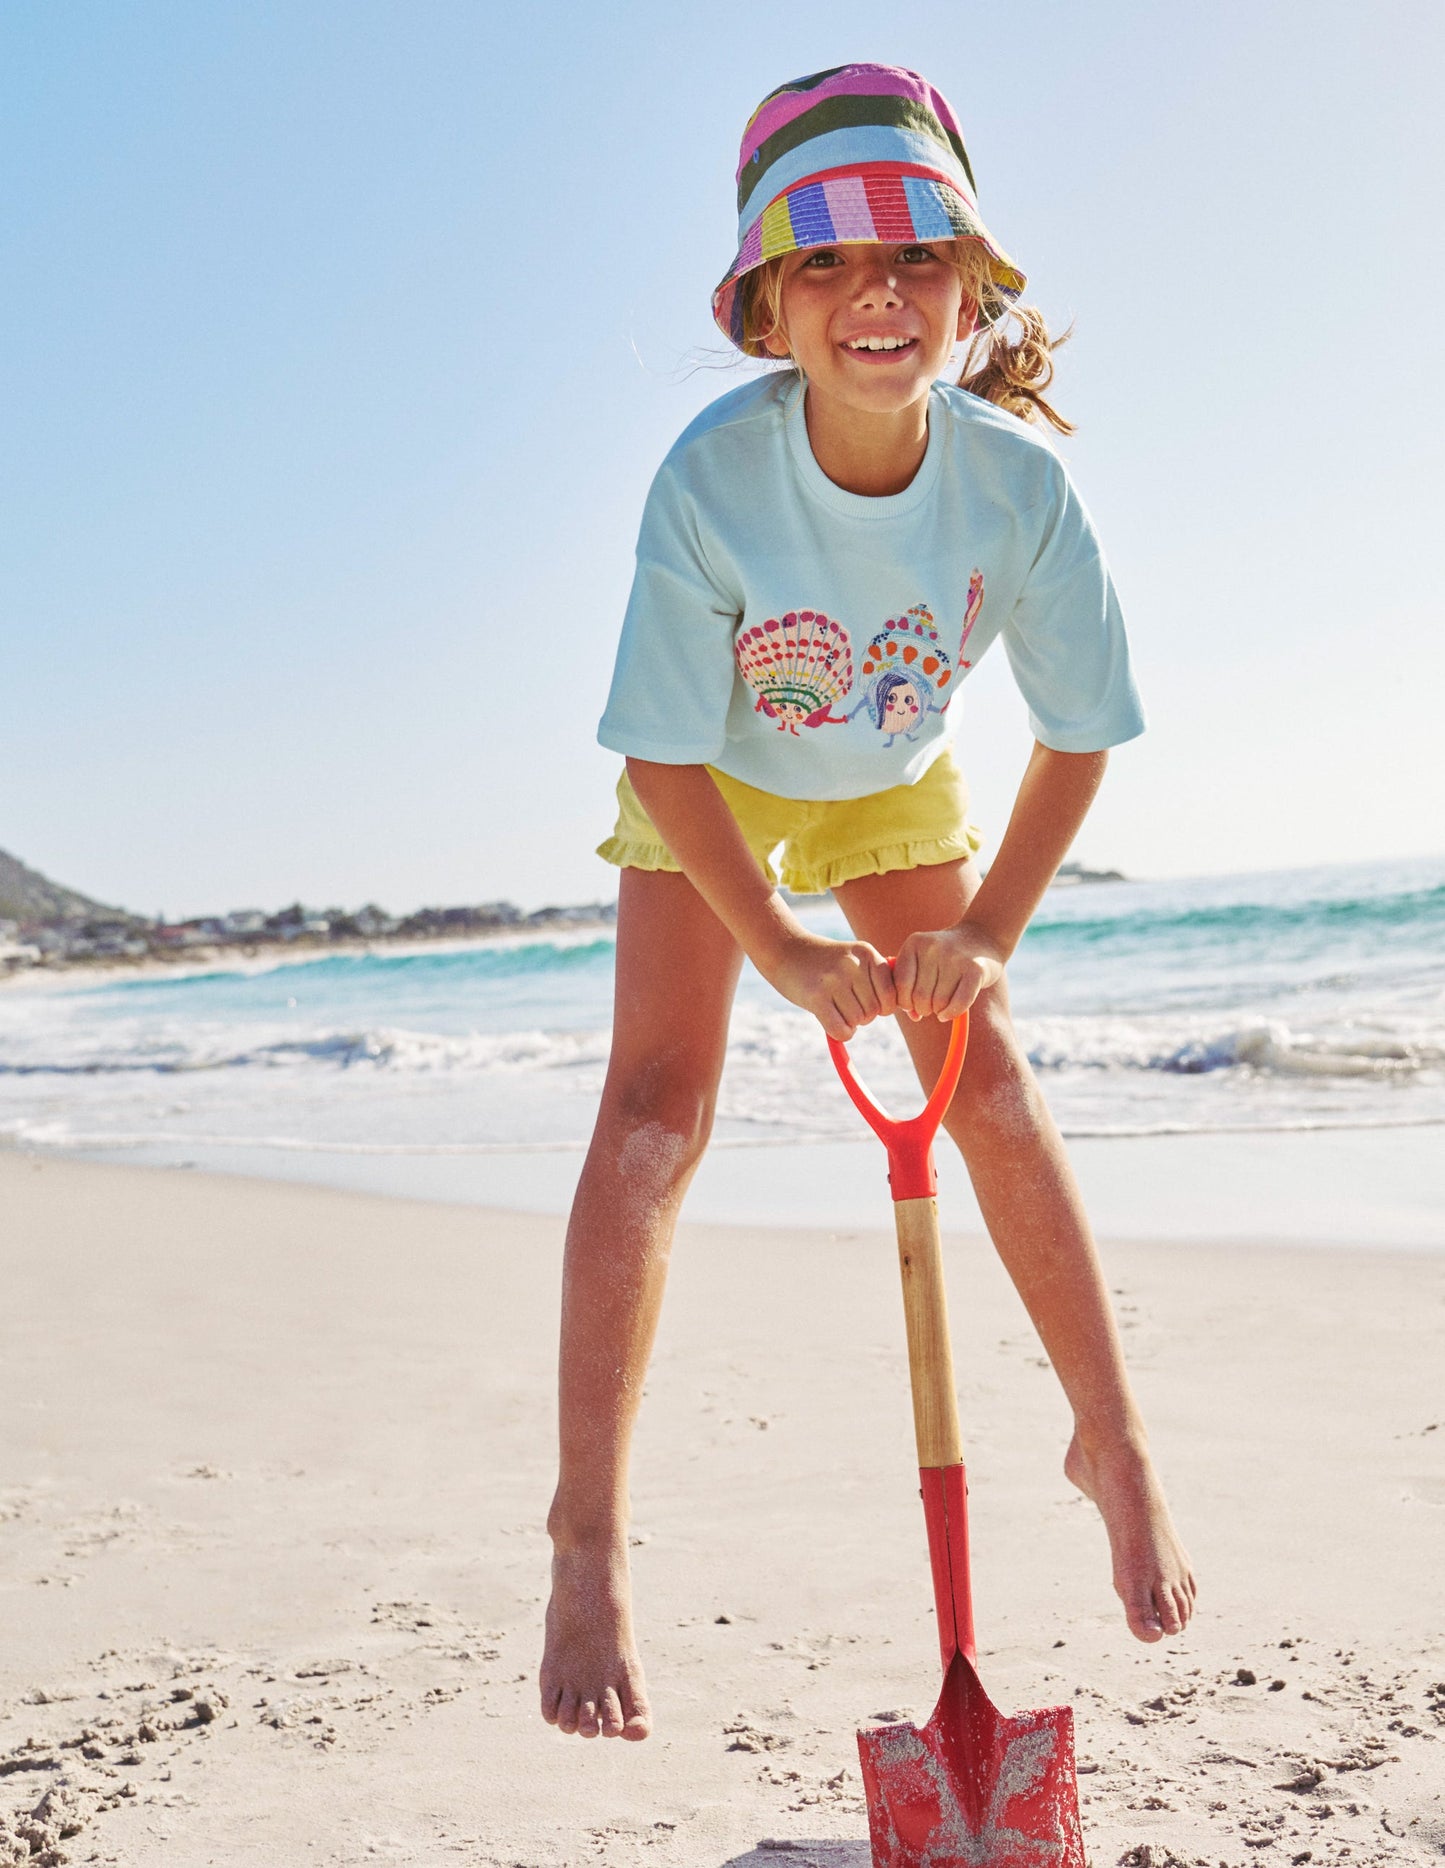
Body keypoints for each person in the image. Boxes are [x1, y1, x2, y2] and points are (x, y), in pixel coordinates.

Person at [540, 62, 1195, 1744]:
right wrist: (774, 947)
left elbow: (1078, 736)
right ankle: (587, 1539)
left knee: (986, 1079)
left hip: (888, 769)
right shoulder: (711, 483)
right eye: (821, 263)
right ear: (768, 311)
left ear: (973, 296)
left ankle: (1108, 1439)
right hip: (720, 777)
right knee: (650, 1120)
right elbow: (670, 767)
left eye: (915, 254)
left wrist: (986, 939)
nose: (874, 293)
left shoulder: (1016, 491)